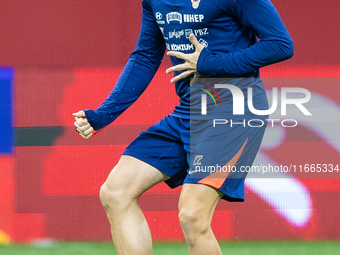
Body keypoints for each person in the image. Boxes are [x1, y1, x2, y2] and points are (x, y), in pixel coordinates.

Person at [73, 0, 294, 254]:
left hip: (234, 112)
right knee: (116, 193)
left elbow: (280, 44)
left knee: (192, 216)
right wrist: (103, 114)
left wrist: (210, 63)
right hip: (189, 111)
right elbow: (145, 57)